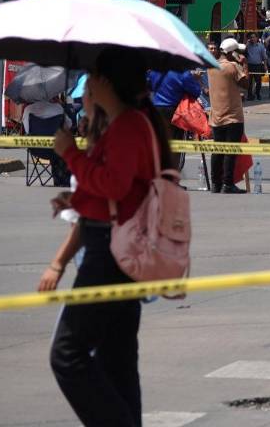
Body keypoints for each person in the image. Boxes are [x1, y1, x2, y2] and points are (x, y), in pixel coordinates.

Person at [47, 47, 171, 427]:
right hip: (116, 244)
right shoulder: (124, 124)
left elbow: (115, 186)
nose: (88, 87)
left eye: (94, 78)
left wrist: (70, 154)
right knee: (116, 359)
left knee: (68, 354)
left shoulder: (128, 125)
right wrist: (76, 197)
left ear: (107, 82)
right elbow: (114, 190)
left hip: (110, 252)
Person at [207, 38, 249, 194]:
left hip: (216, 116)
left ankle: (215, 183)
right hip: (232, 117)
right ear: (232, 53)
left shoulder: (211, 66)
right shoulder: (232, 67)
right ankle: (227, 183)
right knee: (230, 151)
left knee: (218, 150)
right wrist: (244, 64)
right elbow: (246, 84)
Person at [147, 69, 202, 169]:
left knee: (159, 142)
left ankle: (160, 170)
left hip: (156, 109)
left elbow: (149, 86)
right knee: (175, 144)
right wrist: (197, 79)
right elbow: (196, 91)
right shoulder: (182, 73)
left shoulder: (155, 71)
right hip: (174, 111)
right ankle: (173, 172)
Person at [243, 34, 267, 101]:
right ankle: (250, 95)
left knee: (258, 81)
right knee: (249, 81)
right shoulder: (248, 46)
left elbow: (264, 57)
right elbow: (243, 51)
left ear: (257, 38)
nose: (252, 38)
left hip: (258, 66)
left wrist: (265, 66)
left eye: (254, 37)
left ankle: (258, 94)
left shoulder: (261, 46)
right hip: (249, 66)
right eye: (251, 37)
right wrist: (246, 44)